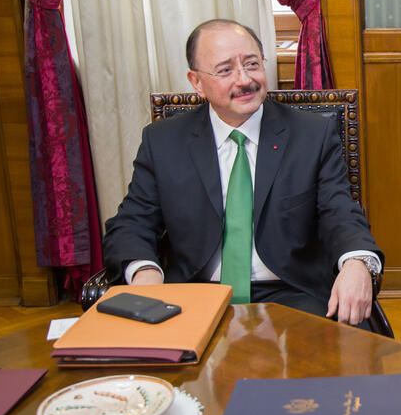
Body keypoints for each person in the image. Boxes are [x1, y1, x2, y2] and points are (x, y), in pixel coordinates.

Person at [102, 19, 383, 328]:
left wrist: (357, 263)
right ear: (196, 82)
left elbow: (340, 212)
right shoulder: (164, 141)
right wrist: (145, 274)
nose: (244, 79)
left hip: (292, 293)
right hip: (195, 295)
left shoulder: (311, 135)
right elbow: (132, 223)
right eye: (225, 70)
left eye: (252, 64)